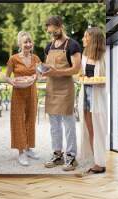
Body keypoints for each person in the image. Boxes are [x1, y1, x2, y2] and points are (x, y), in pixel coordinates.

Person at [40, 16, 82, 171]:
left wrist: (56, 71)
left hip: (65, 88)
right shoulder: (48, 46)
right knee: (54, 125)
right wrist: (42, 70)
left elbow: (76, 69)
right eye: (50, 31)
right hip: (51, 87)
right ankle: (57, 154)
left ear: (61, 26)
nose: (52, 34)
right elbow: (48, 65)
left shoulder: (73, 45)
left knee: (69, 124)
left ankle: (71, 157)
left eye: (54, 31)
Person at [4, 31, 41, 166]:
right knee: (18, 120)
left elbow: (40, 74)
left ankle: (28, 147)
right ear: (20, 43)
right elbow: (6, 76)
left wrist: (36, 77)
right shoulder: (13, 59)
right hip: (18, 92)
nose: (28, 44)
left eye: (30, 42)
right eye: (25, 42)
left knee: (30, 118)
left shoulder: (36, 58)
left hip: (32, 90)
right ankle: (21, 152)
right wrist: (12, 81)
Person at [78, 27, 107, 174]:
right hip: (86, 98)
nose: (83, 39)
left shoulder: (103, 57)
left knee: (99, 130)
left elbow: (105, 80)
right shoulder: (84, 56)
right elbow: (81, 76)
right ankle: (97, 160)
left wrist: (89, 79)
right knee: (90, 130)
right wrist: (80, 77)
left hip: (98, 98)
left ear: (93, 39)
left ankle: (101, 162)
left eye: (85, 36)